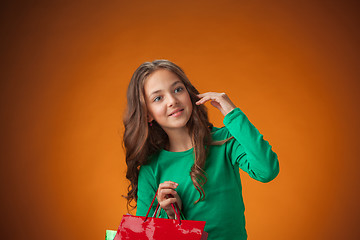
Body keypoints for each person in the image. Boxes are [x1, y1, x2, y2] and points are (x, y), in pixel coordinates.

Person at [123, 59, 279, 240]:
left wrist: (232, 113)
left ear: (189, 93)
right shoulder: (151, 168)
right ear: (148, 113)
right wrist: (172, 215)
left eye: (178, 89)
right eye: (158, 98)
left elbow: (267, 170)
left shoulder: (225, 141)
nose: (172, 100)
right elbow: (145, 236)